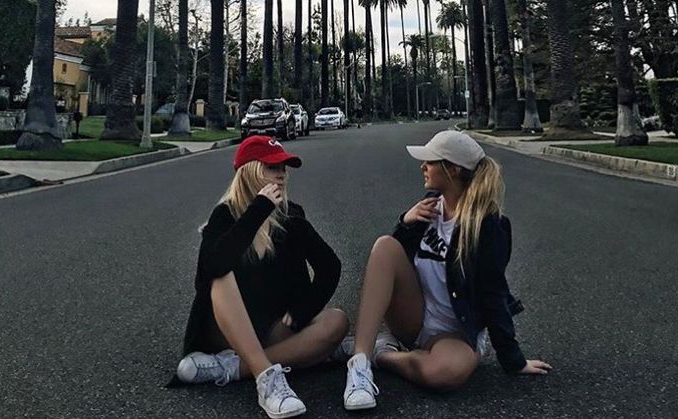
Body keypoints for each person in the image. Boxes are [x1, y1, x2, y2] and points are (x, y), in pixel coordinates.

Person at [341, 130, 551, 410]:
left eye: (430, 161)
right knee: (384, 246)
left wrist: (514, 360)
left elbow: (493, 293)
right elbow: (393, 262)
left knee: (444, 373)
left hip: (454, 334)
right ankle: (360, 364)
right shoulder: (428, 208)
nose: (422, 166)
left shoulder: (488, 227)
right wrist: (406, 221)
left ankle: (382, 355)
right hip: (413, 319)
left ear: (451, 169)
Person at [173, 135, 348, 419]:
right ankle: (268, 376)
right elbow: (213, 267)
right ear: (250, 172)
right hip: (228, 331)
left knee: (337, 320)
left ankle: (233, 368)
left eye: (283, 169)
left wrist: (304, 311)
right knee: (221, 275)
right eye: (272, 168)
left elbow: (330, 267)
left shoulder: (291, 216)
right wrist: (259, 210)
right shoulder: (224, 216)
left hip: (273, 328)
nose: (280, 175)